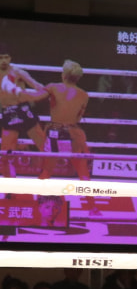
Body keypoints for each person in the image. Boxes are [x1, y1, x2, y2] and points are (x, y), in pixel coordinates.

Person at [37, 60, 99, 215]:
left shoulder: (53, 87)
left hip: (54, 131)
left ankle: (37, 204)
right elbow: (78, 118)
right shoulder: (84, 95)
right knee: (83, 172)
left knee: (47, 170)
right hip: (72, 133)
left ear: (63, 75)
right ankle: (93, 208)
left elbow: (37, 97)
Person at [0, 43, 48, 178]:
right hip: (8, 112)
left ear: (10, 58)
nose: (4, 61)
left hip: (23, 109)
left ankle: (46, 176)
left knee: (43, 145)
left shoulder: (17, 72)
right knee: (6, 152)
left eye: (6, 57)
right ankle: (10, 182)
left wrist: (48, 93)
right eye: (0, 58)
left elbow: (37, 86)